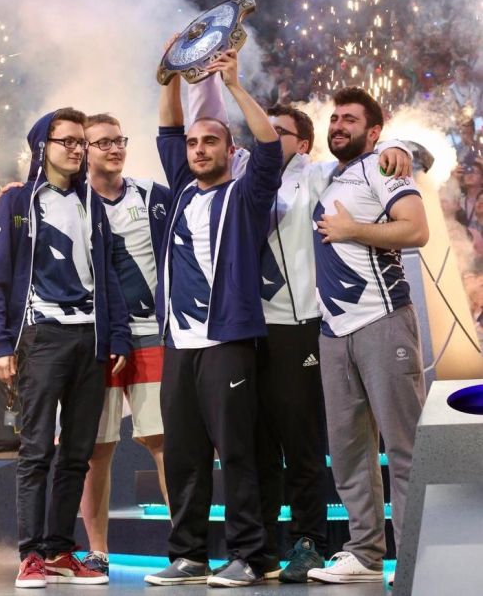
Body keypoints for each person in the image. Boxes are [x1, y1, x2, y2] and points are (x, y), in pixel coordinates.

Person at [188, 76, 412, 584]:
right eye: (261, 130)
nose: (264, 136)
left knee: (302, 441)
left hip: (302, 325)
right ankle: (261, 550)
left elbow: (377, 161)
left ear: (304, 144)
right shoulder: (241, 178)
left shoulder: (318, 176)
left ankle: (310, 541)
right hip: (248, 328)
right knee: (257, 443)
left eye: (279, 131)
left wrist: (398, 145)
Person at [144, 48, 282, 589]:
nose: (199, 149)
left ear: (230, 150)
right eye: (194, 143)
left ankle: (251, 555)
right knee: (184, 455)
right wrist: (169, 72)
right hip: (179, 343)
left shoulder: (246, 195)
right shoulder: (182, 189)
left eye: (210, 141)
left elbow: (268, 147)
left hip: (227, 340)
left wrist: (235, 87)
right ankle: (189, 555)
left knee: (237, 452)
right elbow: (168, 126)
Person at [0, 107, 131, 589]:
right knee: (36, 450)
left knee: (78, 454)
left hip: (91, 340)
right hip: (41, 337)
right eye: (66, 140)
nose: (76, 149)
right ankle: (30, 555)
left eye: (80, 141)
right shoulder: (18, 201)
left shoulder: (93, 204)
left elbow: (109, 274)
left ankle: (60, 551)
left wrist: (118, 334)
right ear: (41, 147)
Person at [306, 87, 429, 585]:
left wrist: (353, 229)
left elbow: (416, 230)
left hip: (382, 319)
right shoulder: (329, 177)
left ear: (374, 131)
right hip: (334, 330)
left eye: (350, 120)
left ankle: (417, 555)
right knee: (350, 451)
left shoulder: (384, 165)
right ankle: (365, 553)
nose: (338, 126)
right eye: (334, 118)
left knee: (404, 446)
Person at [79, 113, 171, 575]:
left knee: (163, 441)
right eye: (103, 143)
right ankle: (98, 552)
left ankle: (186, 548)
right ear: (84, 151)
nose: (115, 148)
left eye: (119, 140)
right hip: (99, 343)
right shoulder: (71, 203)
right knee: (97, 449)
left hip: (153, 334)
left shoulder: (153, 196)